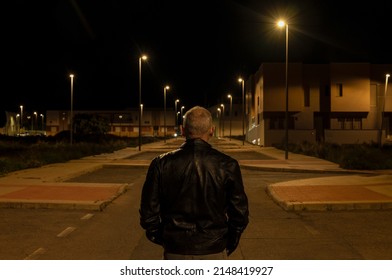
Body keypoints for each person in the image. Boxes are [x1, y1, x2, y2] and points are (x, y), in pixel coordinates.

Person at [139, 106, 249, 260]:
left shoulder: (160, 164)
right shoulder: (228, 165)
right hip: (214, 249)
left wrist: (165, 239)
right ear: (212, 130)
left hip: (175, 251)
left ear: (183, 130)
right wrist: (230, 240)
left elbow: (148, 214)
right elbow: (240, 213)